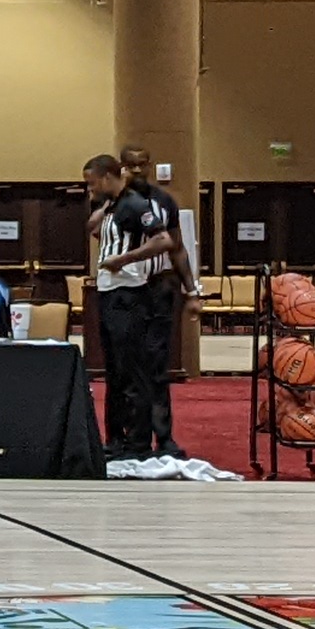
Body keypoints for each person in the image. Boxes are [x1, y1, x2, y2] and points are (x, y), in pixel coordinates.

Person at [86, 153, 184, 465]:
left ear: (106, 177)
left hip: (128, 293)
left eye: (92, 183)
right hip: (109, 292)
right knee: (115, 371)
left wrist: (124, 259)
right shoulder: (112, 205)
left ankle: (138, 440)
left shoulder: (134, 204)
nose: (89, 189)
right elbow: (92, 228)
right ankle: (116, 438)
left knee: (132, 372)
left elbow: (163, 240)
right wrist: (102, 208)